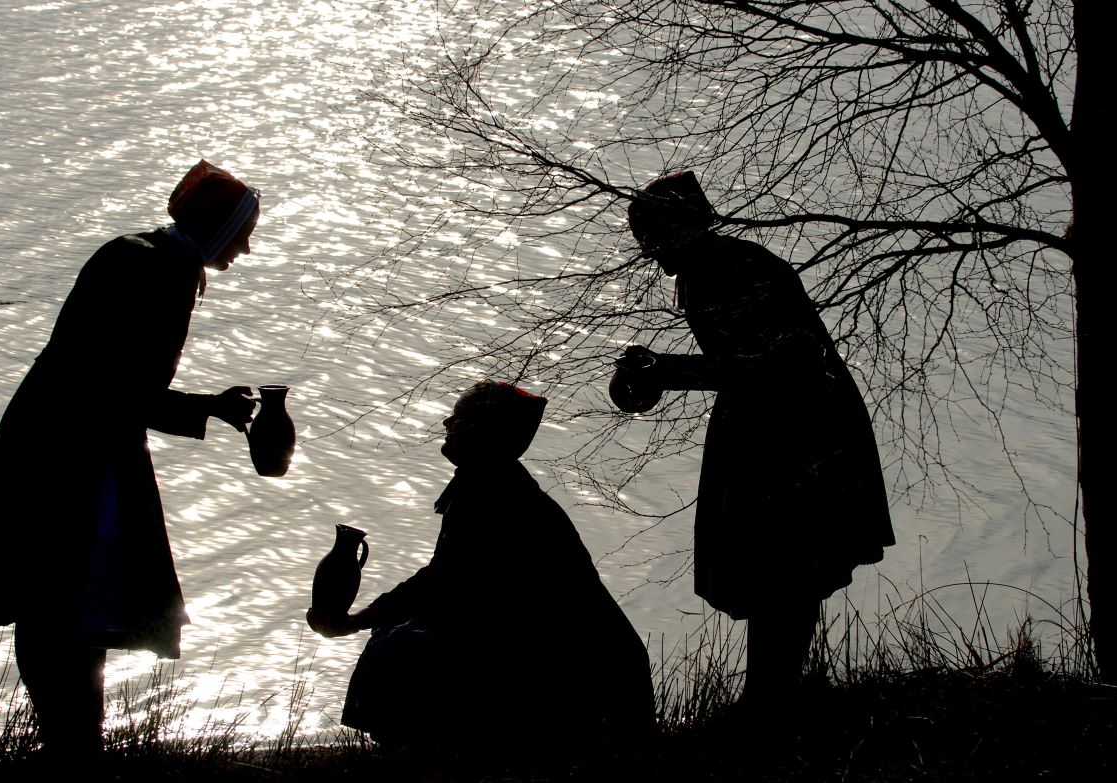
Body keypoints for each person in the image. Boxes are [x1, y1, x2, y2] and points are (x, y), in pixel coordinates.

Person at [0, 160, 261, 759]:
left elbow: (111, 380)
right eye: (241, 232)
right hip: (68, 452)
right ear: (214, 224)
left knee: (67, 598)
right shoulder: (153, 269)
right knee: (62, 598)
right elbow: (105, 381)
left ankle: (73, 739)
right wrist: (208, 407)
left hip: (73, 440)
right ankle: (73, 744)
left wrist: (198, 407)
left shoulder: (153, 258)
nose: (246, 248)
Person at [610, 171, 895, 704]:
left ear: (685, 226)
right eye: (643, 241)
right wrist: (659, 371)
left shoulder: (737, 268)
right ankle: (771, 690)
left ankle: (772, 694)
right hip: (760, 425)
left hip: (802, 428)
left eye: (655, 238)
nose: (650, 252)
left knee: (786, 562)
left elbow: (780, 363)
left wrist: (667, 371)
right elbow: (737, 366)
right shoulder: (696, 276)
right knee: (764, 562)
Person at [306, 381, 655, 746]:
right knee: (404, 633)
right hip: (559, 648)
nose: (446, 422)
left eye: (458, 418)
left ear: (482, 430)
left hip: (583, 668)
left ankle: (429, 758)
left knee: (403, 646)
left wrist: (357, 621)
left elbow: (442, 582)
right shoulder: (489, 482)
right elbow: (454, 585)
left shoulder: (493, 493)